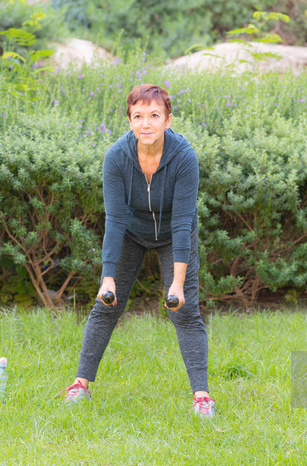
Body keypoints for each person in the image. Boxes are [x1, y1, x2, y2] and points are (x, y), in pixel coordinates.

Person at [62, 84, 216, 418]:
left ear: (168, 120)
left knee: (185, 311)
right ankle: (80, 385)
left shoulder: (184, 157)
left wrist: (176, 283)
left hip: (176, 234)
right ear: (129, 120)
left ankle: (202, 398)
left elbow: (182, 221)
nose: (146, 123)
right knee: (106, 306)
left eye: (154, 116)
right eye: (138, 116)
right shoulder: (117, 157)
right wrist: (107, 277)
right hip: (130, 232)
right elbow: (114, 220)